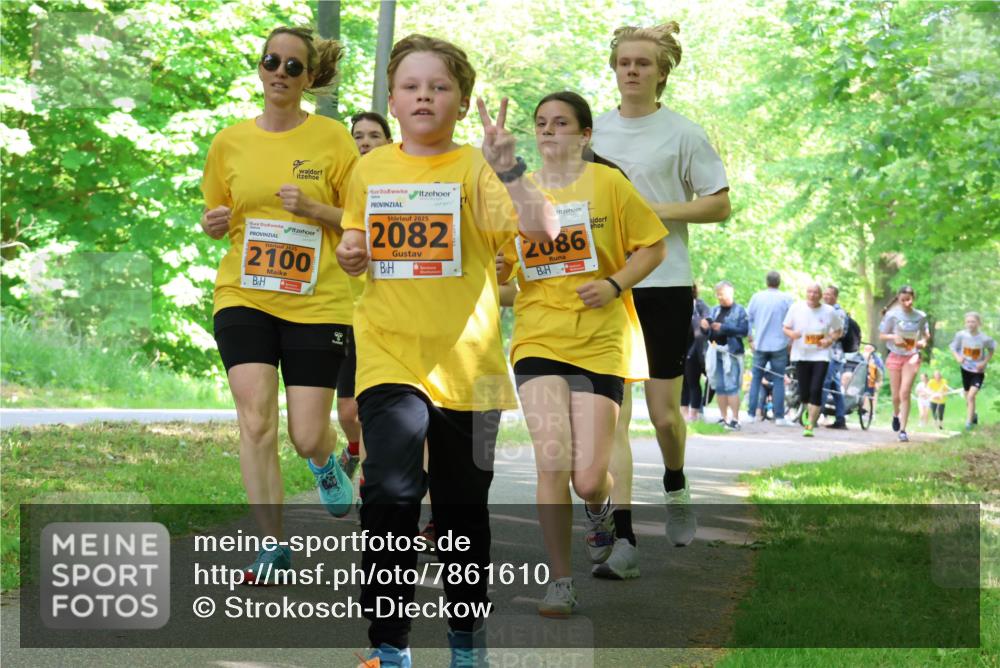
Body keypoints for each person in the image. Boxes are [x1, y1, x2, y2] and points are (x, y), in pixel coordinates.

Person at [335, 34, 558, 668]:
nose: (424, 95)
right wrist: (353, 250)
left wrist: (509, 164)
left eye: (439, 86)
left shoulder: (479, 168)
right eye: (411, 86)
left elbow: (542, 229)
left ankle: (465, 643)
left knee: (463, 513)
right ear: (392, 100)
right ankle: (389, 647)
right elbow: (355, 243)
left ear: (461, 103)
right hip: (388, 355)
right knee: (389, 498)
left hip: (474, 366)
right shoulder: (370, 168)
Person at [498, 91, 667, 614]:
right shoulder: (517, 193)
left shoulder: (609, 185)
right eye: (542, 123)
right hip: (539, 335)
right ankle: (561, 581)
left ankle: (600, 509)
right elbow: (504, 272)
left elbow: (653, 247)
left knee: (589, 477)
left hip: (600, 337)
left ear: (585, 134)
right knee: (553, 461)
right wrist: (493, 275)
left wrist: (615, 284)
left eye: (562, 123)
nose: (549, 132)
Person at [200, 25, 357, 581]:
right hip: (243, 294)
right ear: (261, 67)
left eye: (295, 67)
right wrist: (212, 223)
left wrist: (317, 209)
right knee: (255, 418)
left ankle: (322, 459)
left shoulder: (335, 140)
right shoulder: (230, 141)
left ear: (310, 78)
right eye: (273, 62)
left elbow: (361, 220)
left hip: (318, 302)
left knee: (306, 432)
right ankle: (272, 544)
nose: (281, 74)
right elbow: (217, 214)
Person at [591, 21, 731, 552]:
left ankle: (676, 484)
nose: (632, 70)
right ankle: (622, 533)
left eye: (643, 63)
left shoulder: (684, 133)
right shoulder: (593, 132)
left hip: (665, 282)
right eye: (625, 62)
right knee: (614, 412)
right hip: (607, 283)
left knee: (665, 414)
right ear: (614, 68)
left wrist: (653, 210)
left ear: (662, 72)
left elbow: (719, 203)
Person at [782, 283, 843, 438]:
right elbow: (785, 327)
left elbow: (838, 331)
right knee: (804, 392)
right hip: (801, 355)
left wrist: (829, 340)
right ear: (806, 293)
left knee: (816, 389)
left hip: (821, 356)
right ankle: (807, 411)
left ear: (820, 295)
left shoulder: (829, 311)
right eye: (810, 292)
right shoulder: (796, 308)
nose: (812, 295)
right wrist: (792, 334)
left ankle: (810, 424)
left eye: (816, 292)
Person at [878, 285, 930, 442]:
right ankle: (896, 414)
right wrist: (894, 338)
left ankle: (903, 430)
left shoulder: (920, 316)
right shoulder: (892, 315)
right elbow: (882, 335)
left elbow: (926, 337)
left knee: (905, 392)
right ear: (898, 300)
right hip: (895, 355)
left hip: (912, 356)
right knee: (896, 396)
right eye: (903, 300)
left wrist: (922, 342)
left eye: (909, 299)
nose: (906, 303)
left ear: (913, 298)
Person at [746, 271, 794, 426]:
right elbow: (793, 321)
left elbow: (748, 319)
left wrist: (750, 338)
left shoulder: (757, 297)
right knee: (779, 379)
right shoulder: (787, 299)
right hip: (780, 345)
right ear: (779, 282)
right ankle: (779, 417)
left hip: (760, 344)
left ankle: (751, 414)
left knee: (756, 379)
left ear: (766, 282)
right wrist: (790, 342)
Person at [702, 281, 749, 429]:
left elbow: (744, 331)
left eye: (722, 293)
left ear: (731, 293)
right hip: (715, 352)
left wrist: (724, 327)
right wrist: (705, 327)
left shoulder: (740, 311)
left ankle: (735, 419)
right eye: (718, 294)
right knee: (719, 386)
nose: (720, 297)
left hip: (732, 353)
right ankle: (724, 418)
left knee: (731, 386)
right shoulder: (714, 310)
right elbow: (708, 330)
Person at [950, 312, 995, 430]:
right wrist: (958, 357)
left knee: (971, 396)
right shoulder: (961, 335)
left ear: (979, 323)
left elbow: (991, 350)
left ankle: (968, 425)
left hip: (978, 372)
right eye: (968, 321)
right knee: (967, 397)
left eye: (973, 321)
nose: (970, 324)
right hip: (965, 369)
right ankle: (973, 416)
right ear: (965, 323)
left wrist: (984, 362)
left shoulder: (984, 338)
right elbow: (953, 347)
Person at [820, 285, 849, 429]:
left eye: (829, 295)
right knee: (835, 386)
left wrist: (823, 337)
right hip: (824, 353)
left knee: (825, 383)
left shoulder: (839, 312)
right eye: (824, 294)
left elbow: (841, 333)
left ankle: (815, 415)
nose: (826, 297)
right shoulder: (823, 311)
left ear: (835, 297)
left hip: (835, 354)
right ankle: (840, 418)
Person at [682, 283, 711, 422]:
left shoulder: (699, 305)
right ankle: (683, 412)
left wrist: (704, 322)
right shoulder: (678, 304)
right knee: (683, 382)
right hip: (682, 348)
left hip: (696, 349)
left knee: (693, 381)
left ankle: (694, 413)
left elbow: (708, 320)